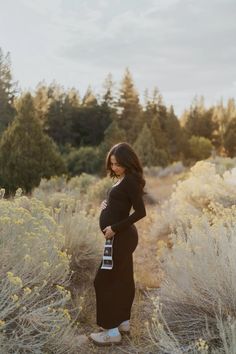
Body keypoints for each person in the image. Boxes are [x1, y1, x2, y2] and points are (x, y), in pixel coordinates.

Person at [90, 142, 146, 346]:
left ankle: (110, 331)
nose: (114, 168)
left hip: (122, 237)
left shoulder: (131, 180)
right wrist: (107, 205)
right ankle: (122, 322)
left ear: (127, 162)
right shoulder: (124, 179)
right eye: (112, 164)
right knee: (122, 278)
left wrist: (114, 228)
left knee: (103, 281)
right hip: (119, 237)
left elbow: (141, 212)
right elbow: (120, 203)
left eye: (118, 164)